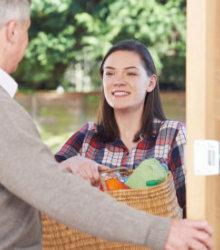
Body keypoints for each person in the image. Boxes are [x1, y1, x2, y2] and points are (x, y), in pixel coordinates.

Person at [0, 1, 213, 249]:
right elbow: (58, 193)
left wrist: (61, 170)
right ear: (12, 31)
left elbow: (16, 179)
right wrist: (161, 232)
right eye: (27, 29)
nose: (26, 40)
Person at [56, 40, 186, 214]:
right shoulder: (87, 137)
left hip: (159, 240)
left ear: (151, 83)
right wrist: (71, 163)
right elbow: (41, 186)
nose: (118, 81)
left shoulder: (173, 135)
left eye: (130, 74)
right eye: (109, 74)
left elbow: (194, 206)